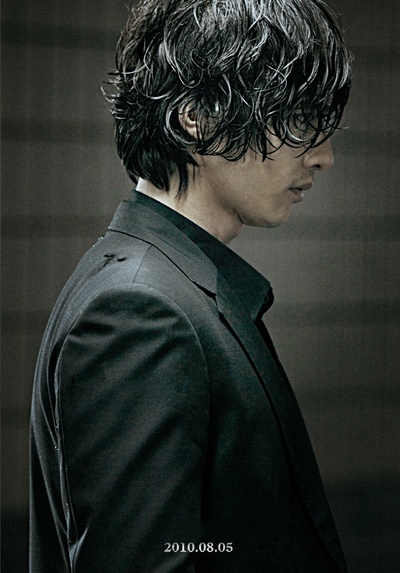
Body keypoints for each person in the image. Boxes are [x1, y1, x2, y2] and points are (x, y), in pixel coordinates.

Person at [30, 0, 353, 571]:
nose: (323, 157)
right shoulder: (138, 310)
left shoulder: (163, 286)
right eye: (301, 121)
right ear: (197, 117)